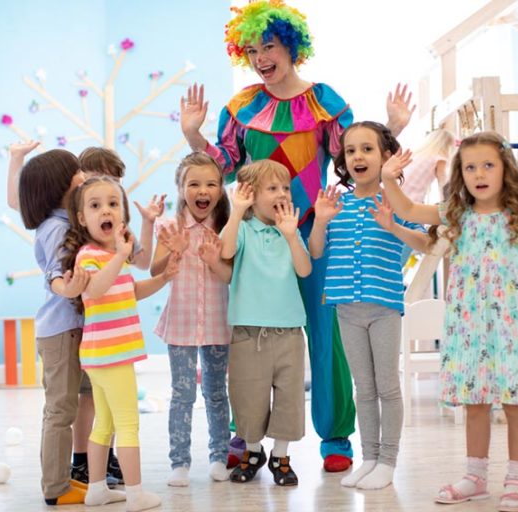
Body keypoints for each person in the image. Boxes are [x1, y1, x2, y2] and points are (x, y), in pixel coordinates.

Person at [179, 0, 414, 472]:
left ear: (291, 46)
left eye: (268, 46)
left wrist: (392, 129)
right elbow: (225, 165)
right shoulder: (242, 107)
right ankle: (246, 433)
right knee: (251, 334)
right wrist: (193, 136)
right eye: (251, 51)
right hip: (256, 237)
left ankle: (336, 436)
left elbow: (353, 159)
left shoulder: (325, 102)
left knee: (326, 335)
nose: (260, 58)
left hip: (312, 231)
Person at [380, 124, 518, 511]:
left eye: (488, 165)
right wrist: (389, 179)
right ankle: (475, 478)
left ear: (505, 168)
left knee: (516, 405)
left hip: (511, 328)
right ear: (461, 174)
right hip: (468, 328)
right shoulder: (455, 215)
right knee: (475, 405)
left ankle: (517, 479)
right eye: (470, 167)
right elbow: (407, 210)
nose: (479, 174)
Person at [309, 121, 429, 490]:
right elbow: (316, 251)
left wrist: (394, 227)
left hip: (383, 308)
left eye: (367, 149)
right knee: (363, 388)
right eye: (350, 151)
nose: (358, 156)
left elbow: (425, 244)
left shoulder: (398, 203)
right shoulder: (336, 204)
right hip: (346, 309)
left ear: (386, 156)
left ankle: (388, 462)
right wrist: (320, 221)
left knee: (387, 387)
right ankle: (370, 459)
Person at [61, 175, 177, 510]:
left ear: (122, 214)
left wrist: (163, 277)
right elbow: (95, 289)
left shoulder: (113, 253)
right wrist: (121, 255)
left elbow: (130, 291)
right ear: (82, 218)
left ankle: (96, 489)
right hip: (110, 355)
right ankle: (136, 494)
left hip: (105, 356)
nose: (106, 210)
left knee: (106, 423)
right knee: (128, 424)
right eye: (95, 205)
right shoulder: (89, 255)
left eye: (113, 204)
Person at [220, 160, 311, 486]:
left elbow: (304, 270)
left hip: (289, 331)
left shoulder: (290, 230)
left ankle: (280, 456)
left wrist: (291, 236)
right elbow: (225, 251)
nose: (282, 194)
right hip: (248, 331)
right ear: (251, 195)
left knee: (289, 398)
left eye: (285, 188)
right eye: (272, 188)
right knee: (248, 396)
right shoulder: (243, 229)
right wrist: (236, 211)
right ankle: (253, 451)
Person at [149, 152, 233, 487]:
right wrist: (175, 251)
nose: (203, 191)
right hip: (181, 323)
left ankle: (219, 456)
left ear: (220, 189)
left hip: (218, 322)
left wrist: (214, 261)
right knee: (182, 395)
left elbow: (229, 275)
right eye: (194, 184)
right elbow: (154, 270)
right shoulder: (169, 227)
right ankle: (179, 462)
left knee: (216, 392)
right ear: (181, 188)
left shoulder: (226, 228)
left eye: (211, 184)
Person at [17, 149, 88, 505]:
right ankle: (56, 487)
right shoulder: (57, 228)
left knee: (66, 407)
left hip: (69, 328)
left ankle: (62, 479)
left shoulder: (67, 221)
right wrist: (68, 288)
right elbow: (54, 275)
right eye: (76, 171)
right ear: (61, 184)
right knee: (60, 409)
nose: (83, 175)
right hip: (61, 330)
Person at [401, 128, 456, 203]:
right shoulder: (440, 158)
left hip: (394, 194)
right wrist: (447, 204)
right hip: (410, 200)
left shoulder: (418, 154)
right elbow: (443, 185)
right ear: (448, 146)